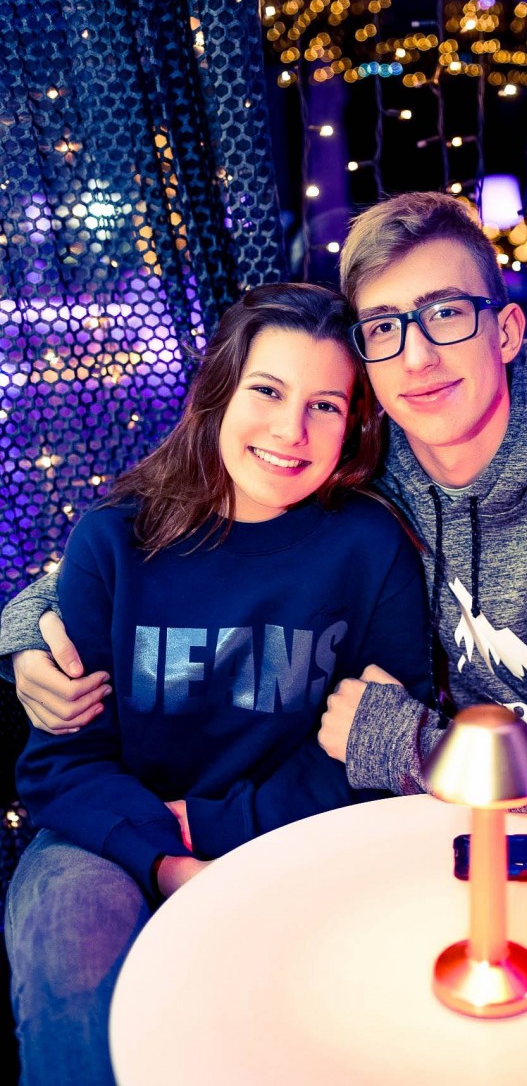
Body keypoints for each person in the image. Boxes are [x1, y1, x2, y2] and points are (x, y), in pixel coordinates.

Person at [4, 193, 527, 860]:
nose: (418, 356)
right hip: (465, 809)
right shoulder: (363, 452)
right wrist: (30, 629)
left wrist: (403, 742)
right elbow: (156, 533)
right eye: (386, 326)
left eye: (447, 314)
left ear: (505, 331)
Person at [2, 282, 432, 1086]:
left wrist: (215, 826)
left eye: (325, 406)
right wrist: (168, 863)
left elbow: (370, 758)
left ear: (355, 424)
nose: (290, 430)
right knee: (77, 974)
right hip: (108, 837)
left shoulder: (370, 548)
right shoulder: (114, 543)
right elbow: (61, 764)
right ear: (217, 390)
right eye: (267, 390)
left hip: (297, 834)